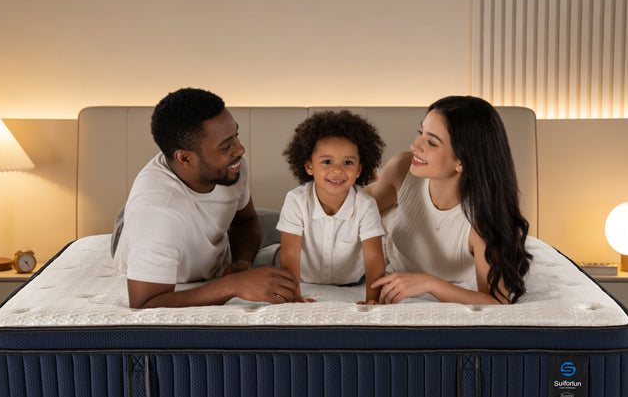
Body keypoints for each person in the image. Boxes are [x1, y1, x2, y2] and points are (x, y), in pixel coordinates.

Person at [113, 87, 298, 308]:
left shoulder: (231, 165)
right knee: (164, 220)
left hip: (185, 205)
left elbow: (245, 221)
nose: (240, 149)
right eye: (226, 145)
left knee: (300, 226)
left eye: (235, 136)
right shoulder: (158, 217)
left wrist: (242, 262)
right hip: (143, 219)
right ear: (184, 158)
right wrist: (233, 285)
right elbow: (145, 302)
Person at [366, 95, 531, 305]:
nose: (415, 145)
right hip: (388, 228)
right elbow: (356, 207)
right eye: (420, 133)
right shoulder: (401, 168)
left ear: (462, 160)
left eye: (431, 142)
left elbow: (497, 302)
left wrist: (430, 284)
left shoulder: (483, 222)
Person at [277, 110, 386, 303]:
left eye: (348, 162)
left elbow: (374, 257)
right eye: (327, 162)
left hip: (352, 279)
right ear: (309, 166)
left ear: (359, 169)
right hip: (304, 276)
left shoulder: (366, 206)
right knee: (271, 256)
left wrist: (373, 300)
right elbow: (290, 252)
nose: (337, 170)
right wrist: (294, 296)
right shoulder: (296, 200)